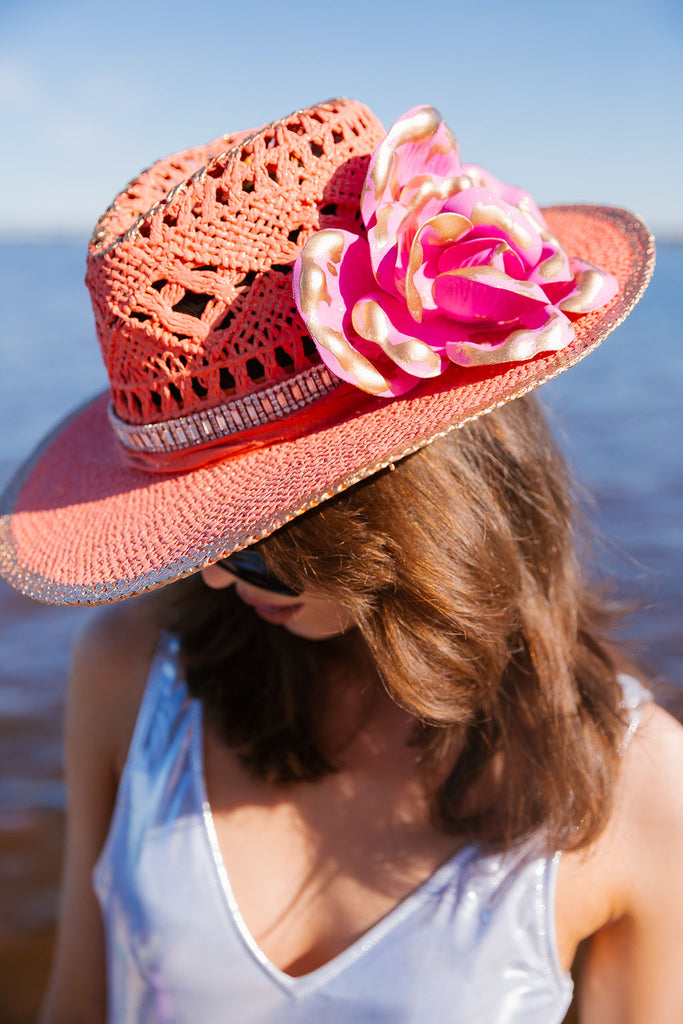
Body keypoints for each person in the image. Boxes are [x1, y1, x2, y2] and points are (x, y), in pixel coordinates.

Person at [1, 99, 681, 1023]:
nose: (208, 577)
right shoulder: (129, 671)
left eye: (256, 542)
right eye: (199, 539)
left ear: (418, 503)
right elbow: (74, 1003)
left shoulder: (636, 782)